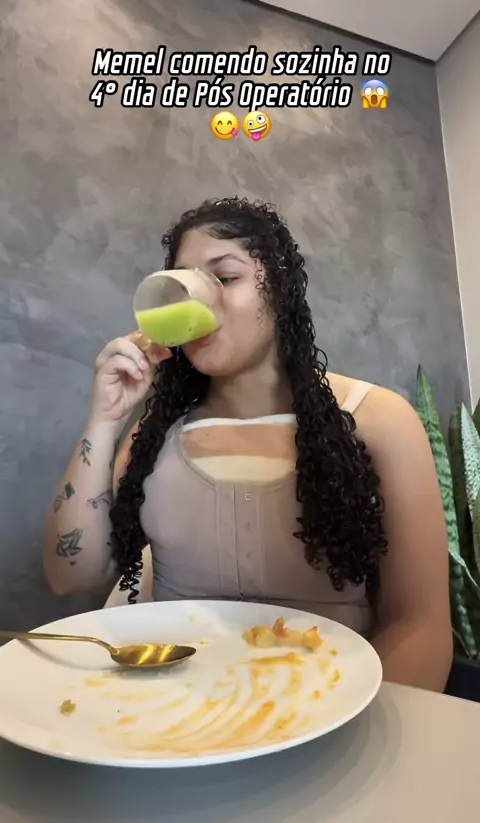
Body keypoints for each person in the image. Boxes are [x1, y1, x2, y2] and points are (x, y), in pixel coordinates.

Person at [43, 196, 452, 692]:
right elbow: (69, 576)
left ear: (278, 287)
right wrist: (104, 421)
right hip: (175, 707)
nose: (199, 301)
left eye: (225, 277)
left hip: (330, 703)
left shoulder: (378, 420)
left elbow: (419, 626)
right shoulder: (152, 437)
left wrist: (365, 724)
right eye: (184, 286)